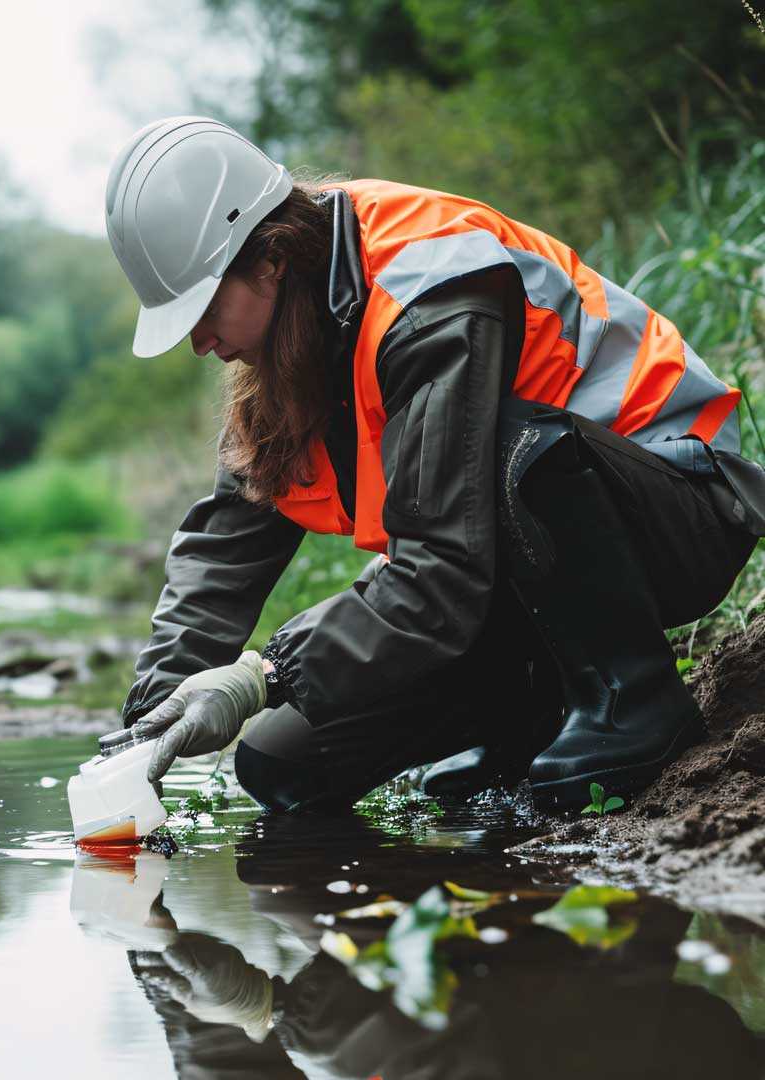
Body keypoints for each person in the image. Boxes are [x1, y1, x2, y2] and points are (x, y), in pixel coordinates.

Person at [103, 116, 765, 811]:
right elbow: (226, 543)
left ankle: (633, 697)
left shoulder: (428, 285)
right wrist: (148, 721)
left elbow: (440, 570)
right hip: (513, 563)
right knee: (283, 764)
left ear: (267, 257)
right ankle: (528, 723)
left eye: (202, 308)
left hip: (676, 507)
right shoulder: (288, 331)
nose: (199, 343)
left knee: (514, 450)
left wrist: (262, 673)